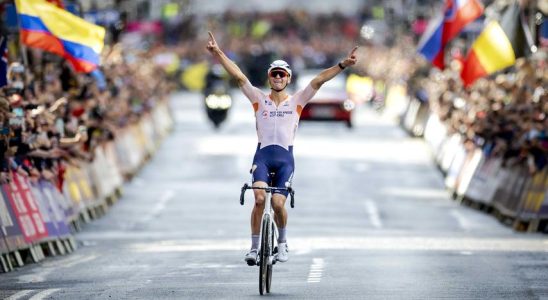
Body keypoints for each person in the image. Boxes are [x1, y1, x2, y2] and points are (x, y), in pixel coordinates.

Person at [206, 31, 358, 265]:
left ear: (288, 78)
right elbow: (238, 75)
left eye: (282, 75)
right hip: (263, 157)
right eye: (274, 74)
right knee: (258, 200)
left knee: (277, 204)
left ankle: (283, 243)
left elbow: (318, 80)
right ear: (269, 78)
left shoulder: (296, 101)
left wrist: (342, 65)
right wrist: (218, 53)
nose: (277, 78)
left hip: (285, 160)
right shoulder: (258, 98)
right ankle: (254, 248)